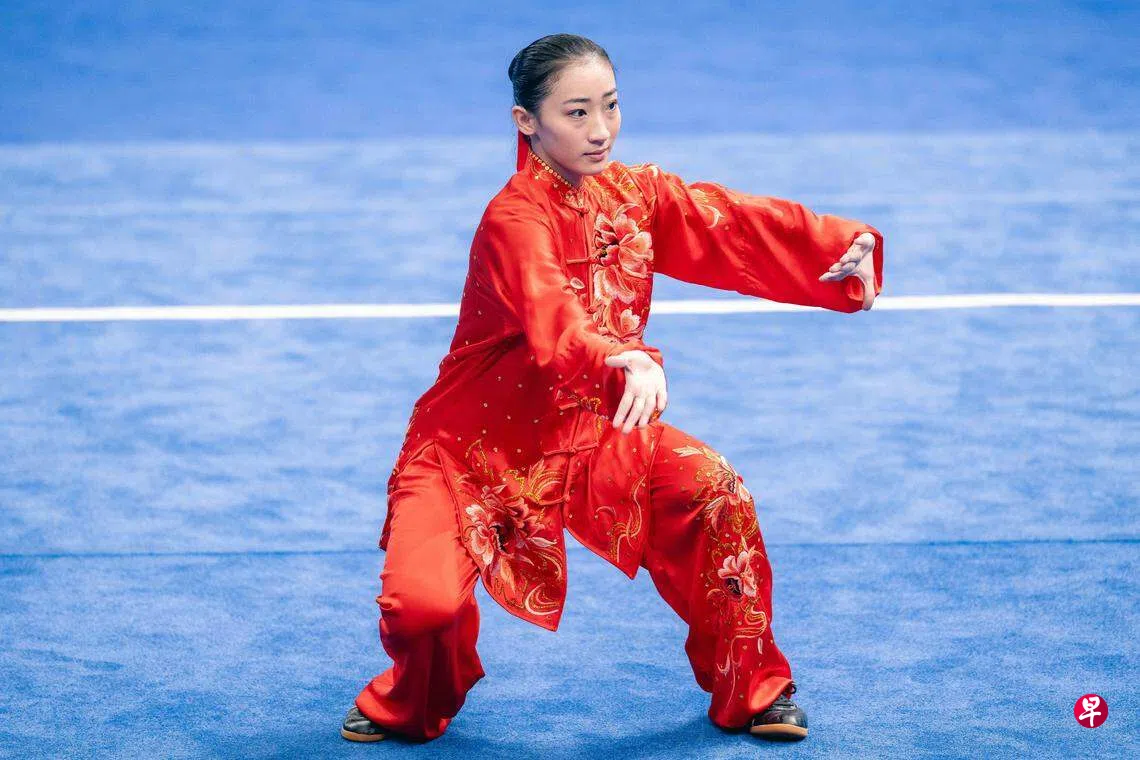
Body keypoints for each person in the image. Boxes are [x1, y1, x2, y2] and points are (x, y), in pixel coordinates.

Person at [341, 33, 883, 745]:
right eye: (576, 113)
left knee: (713, 489)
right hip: (471, 449)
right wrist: (623, 361)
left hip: (591, 432)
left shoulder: (635, 194)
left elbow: (731, 225)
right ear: (526, 121)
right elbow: (552, 317)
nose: (600, 130)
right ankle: (414, 700)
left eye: (611, 106)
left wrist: (836, 246)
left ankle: (753, 687)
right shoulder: (513, 219)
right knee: (424, 610)